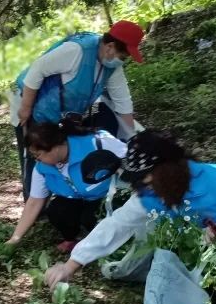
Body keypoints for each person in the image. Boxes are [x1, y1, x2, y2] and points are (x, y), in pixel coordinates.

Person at [44, 129, 216, 304]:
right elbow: (116, 225)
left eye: (147, 179)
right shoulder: (151, 192)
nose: (144, 187)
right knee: (192, 302)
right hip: (203, 252)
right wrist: (71, 265)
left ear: (169, 170)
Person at [12, 20, 145, 198]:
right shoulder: (76, 51)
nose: (123, 61)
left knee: (57, 152)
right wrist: (25, 108)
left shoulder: (111, 67)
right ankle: (34, 203)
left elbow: (123, 102)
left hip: (60, 113)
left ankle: (64, 193)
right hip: (31, 103)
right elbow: (37, 70)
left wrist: (131, 138)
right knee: (36, 155)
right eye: (123, 56)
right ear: (110, 46)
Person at [6, 120, 127, 253]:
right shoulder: (42, 168)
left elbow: (130, 160)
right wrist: (15, 238)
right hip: (79, 198)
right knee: (56, 210)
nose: (37, 161)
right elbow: (34, 202)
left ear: (55, 147)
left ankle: (115, 241)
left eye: (38, 155)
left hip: (108, 195)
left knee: (91, 219)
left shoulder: (97, 142)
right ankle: (72, 238)